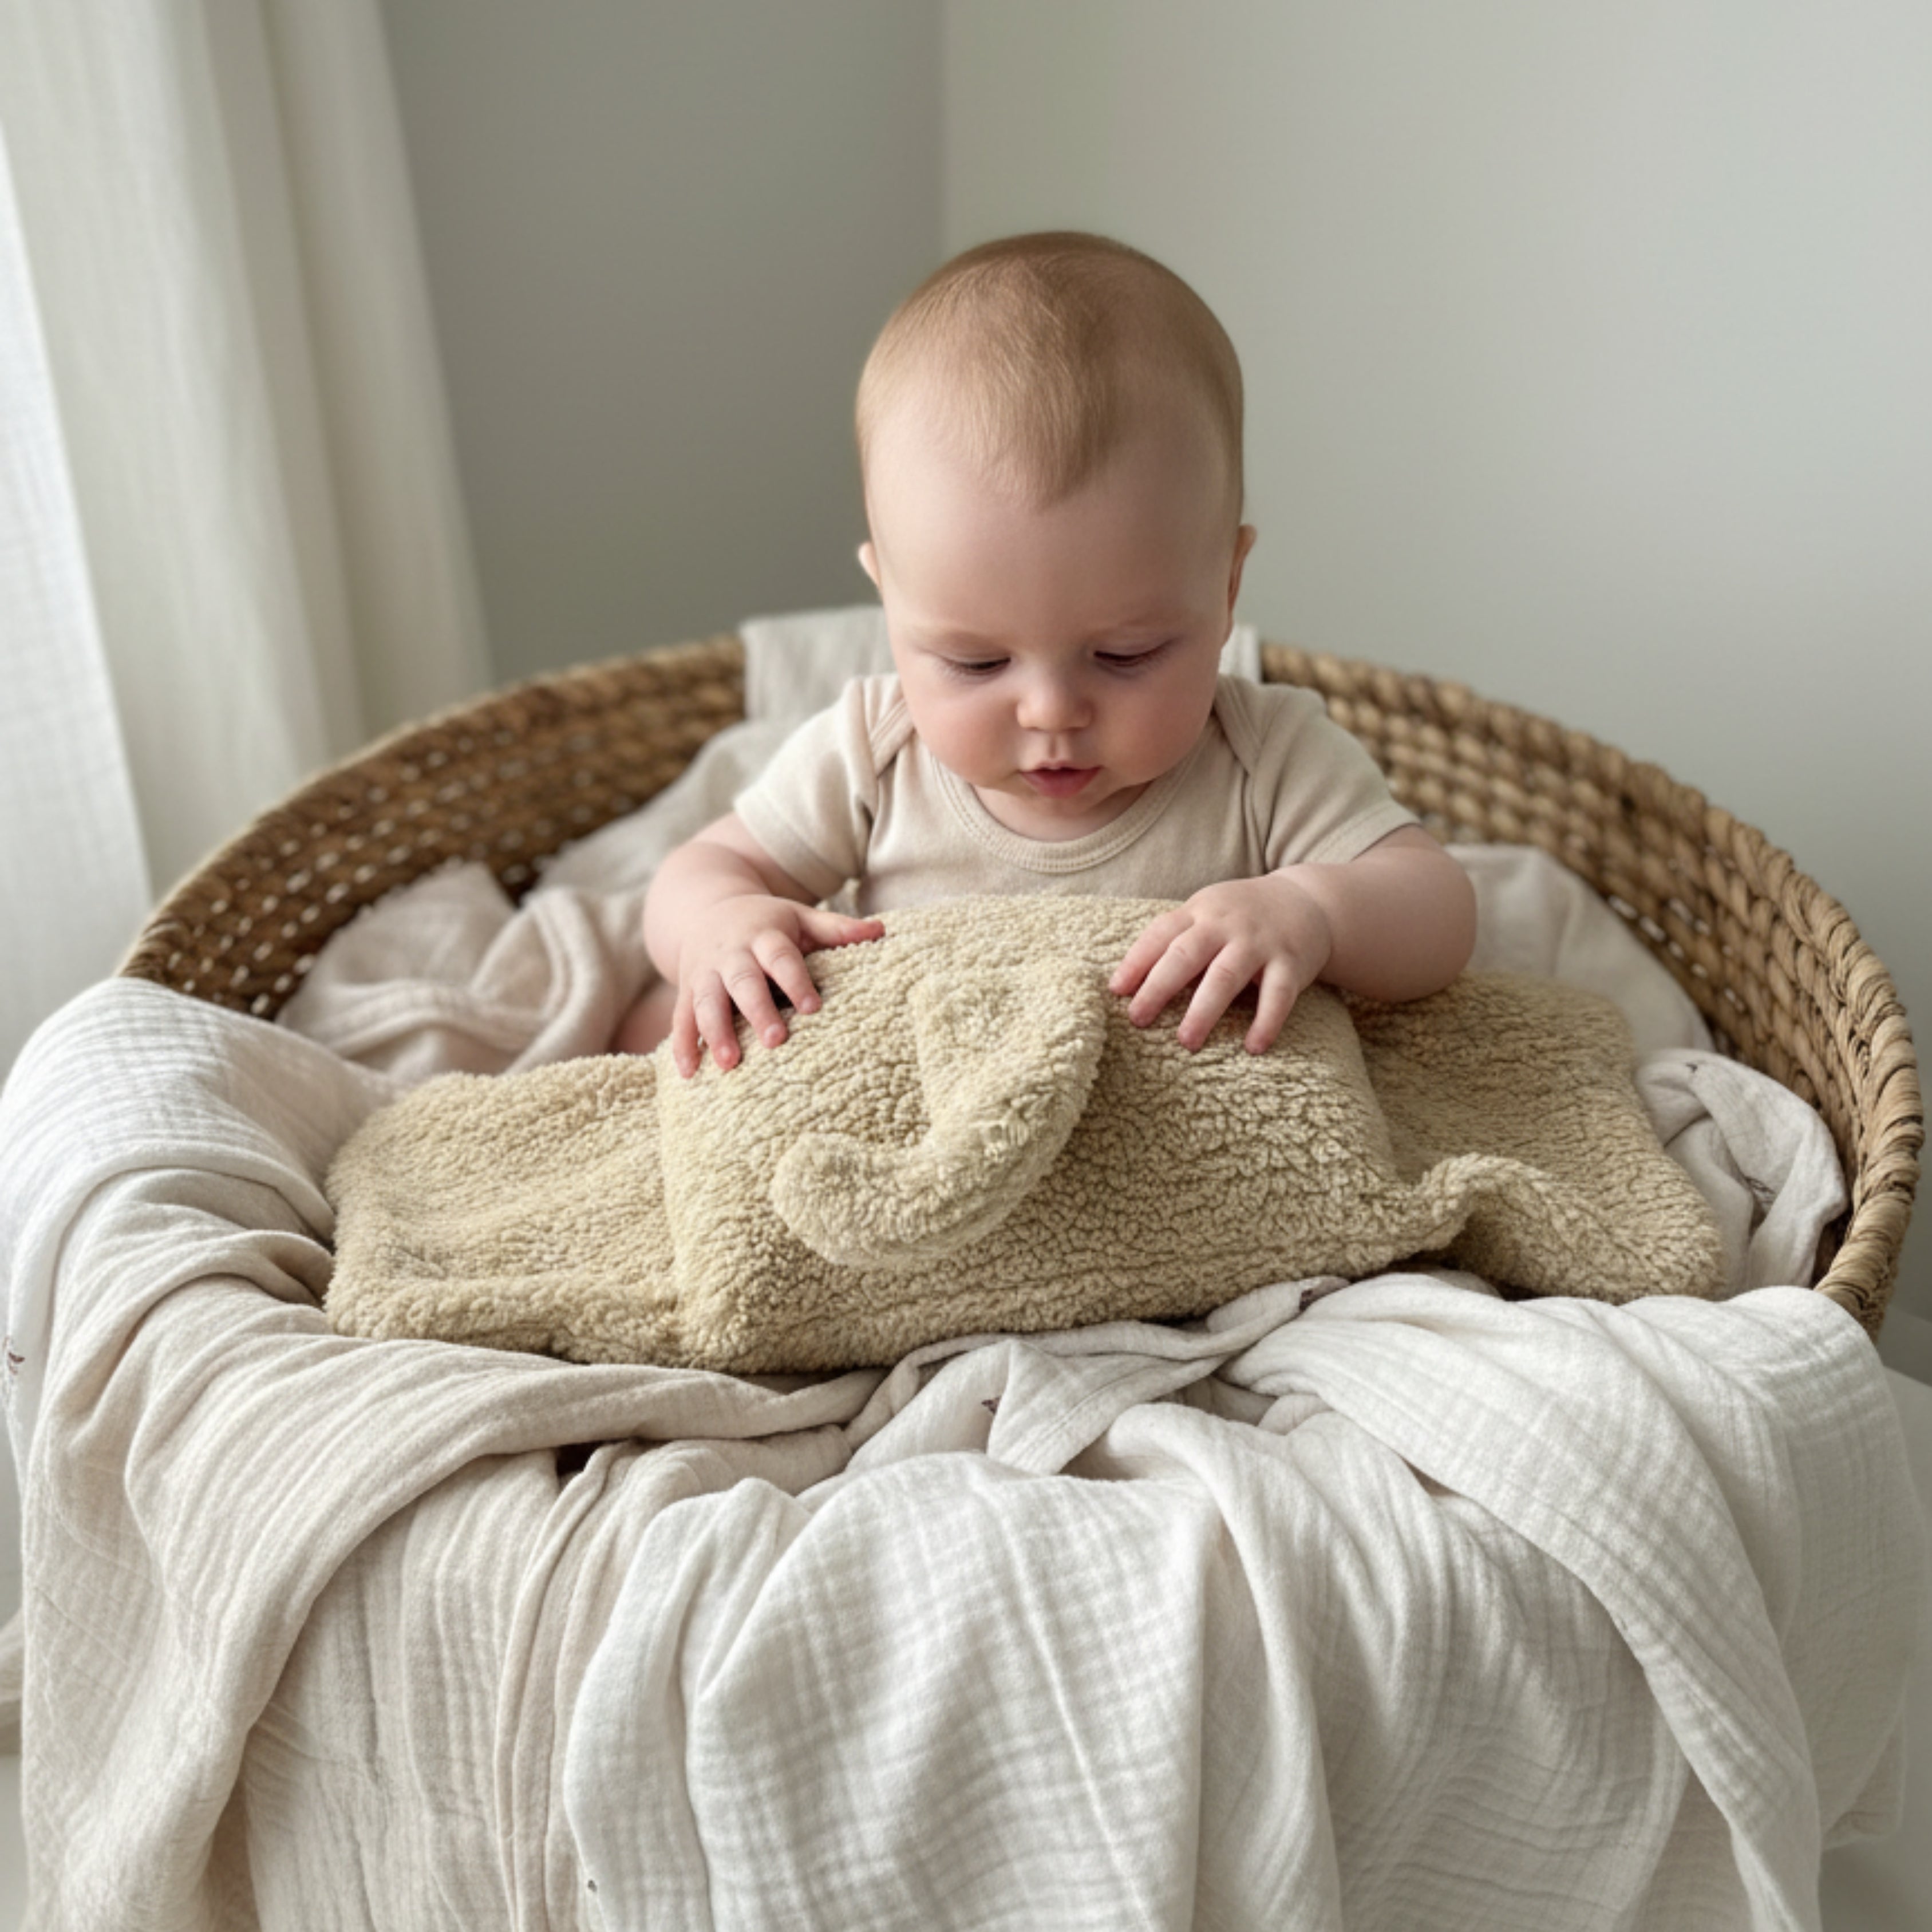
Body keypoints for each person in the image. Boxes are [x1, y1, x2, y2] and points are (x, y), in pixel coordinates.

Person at [619, 231, 1476, 1076]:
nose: (1052, 711)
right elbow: (705, 868)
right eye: (977, 664)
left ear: (1226, 592)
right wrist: (720, 923)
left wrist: (1310, 909)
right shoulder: (874, 757)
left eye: (1127, 654)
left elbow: (1437, 908)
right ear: (889, 600)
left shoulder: (1266, 758)